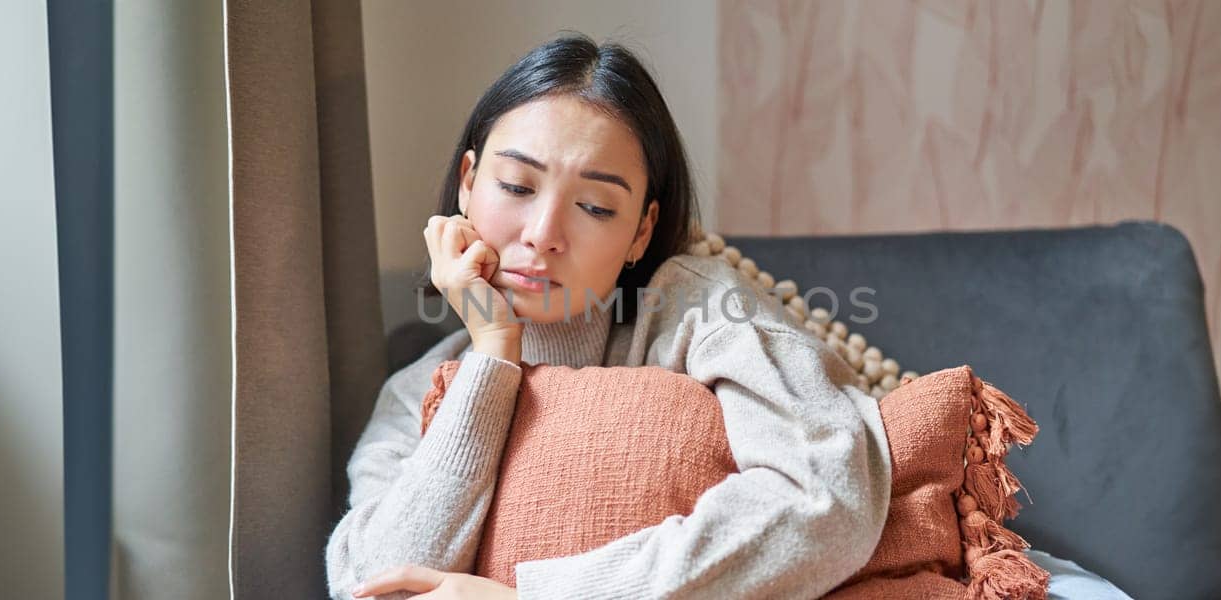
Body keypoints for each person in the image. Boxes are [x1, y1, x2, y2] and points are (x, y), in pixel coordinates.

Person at [325, 33, 1131, 600]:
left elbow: (824, 497)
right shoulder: (417, 395)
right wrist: (494, 353)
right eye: (516, 185)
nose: (542, 234)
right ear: (467, 184)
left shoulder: (700, 309)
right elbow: (375, 578)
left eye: (596, 206)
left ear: (642, 228)